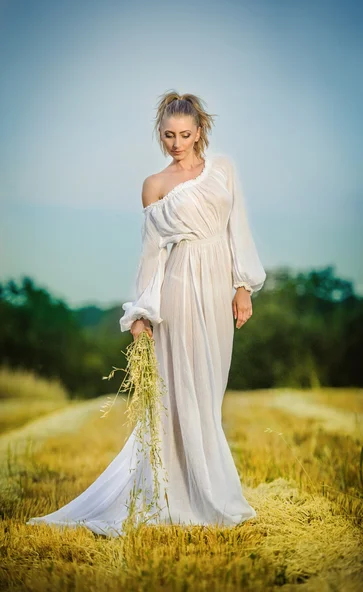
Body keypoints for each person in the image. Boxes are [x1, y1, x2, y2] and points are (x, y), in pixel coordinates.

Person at [27, 91, 266, 537]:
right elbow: (151, 256)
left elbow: (240, 229)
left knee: (208, 392)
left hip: (216, 289)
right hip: (176, 290)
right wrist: (141, 312)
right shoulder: (153, 185)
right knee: (177, 394)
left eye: (185, 134)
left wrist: (242, 286)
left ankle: (206, 491)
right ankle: (175, 496)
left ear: (200, 131)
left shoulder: (223, 169)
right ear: (160, 134)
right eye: (169, 135)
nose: (177, 143)